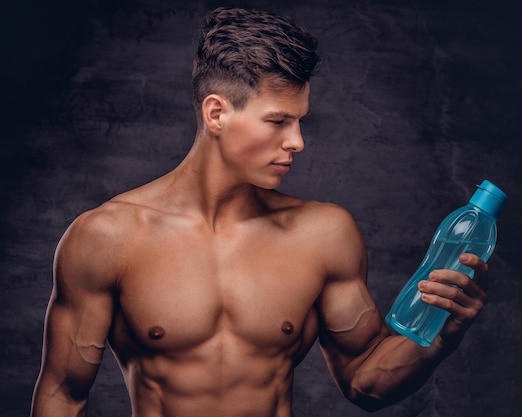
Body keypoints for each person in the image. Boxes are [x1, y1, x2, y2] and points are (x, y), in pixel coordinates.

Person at [30, 7, 488, 417]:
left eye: (299, 121)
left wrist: (438, 338)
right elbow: (64, 396)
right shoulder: (107, 237)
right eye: (277, 121)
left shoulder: (323, 234)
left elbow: (365, 382)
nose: (297, 142)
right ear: (216, 114)